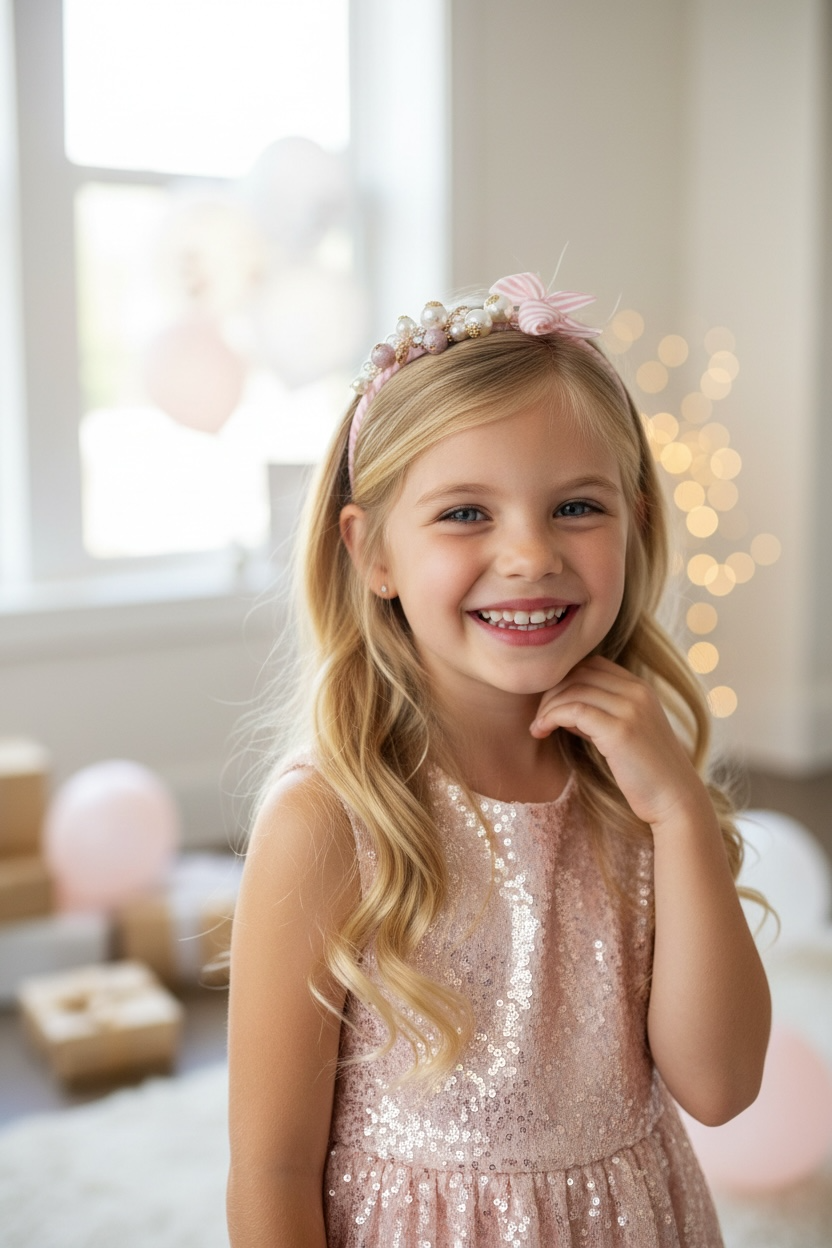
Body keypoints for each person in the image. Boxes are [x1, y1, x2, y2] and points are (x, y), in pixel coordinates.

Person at [226, 272, 771, 1246]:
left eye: (575, 508)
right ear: (372, 553)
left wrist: (682, 815)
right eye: (465, 514)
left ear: (637, 521)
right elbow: (269, 1170)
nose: (528, 555)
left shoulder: (635, 784)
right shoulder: (326, 821)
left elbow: (722, 1086)